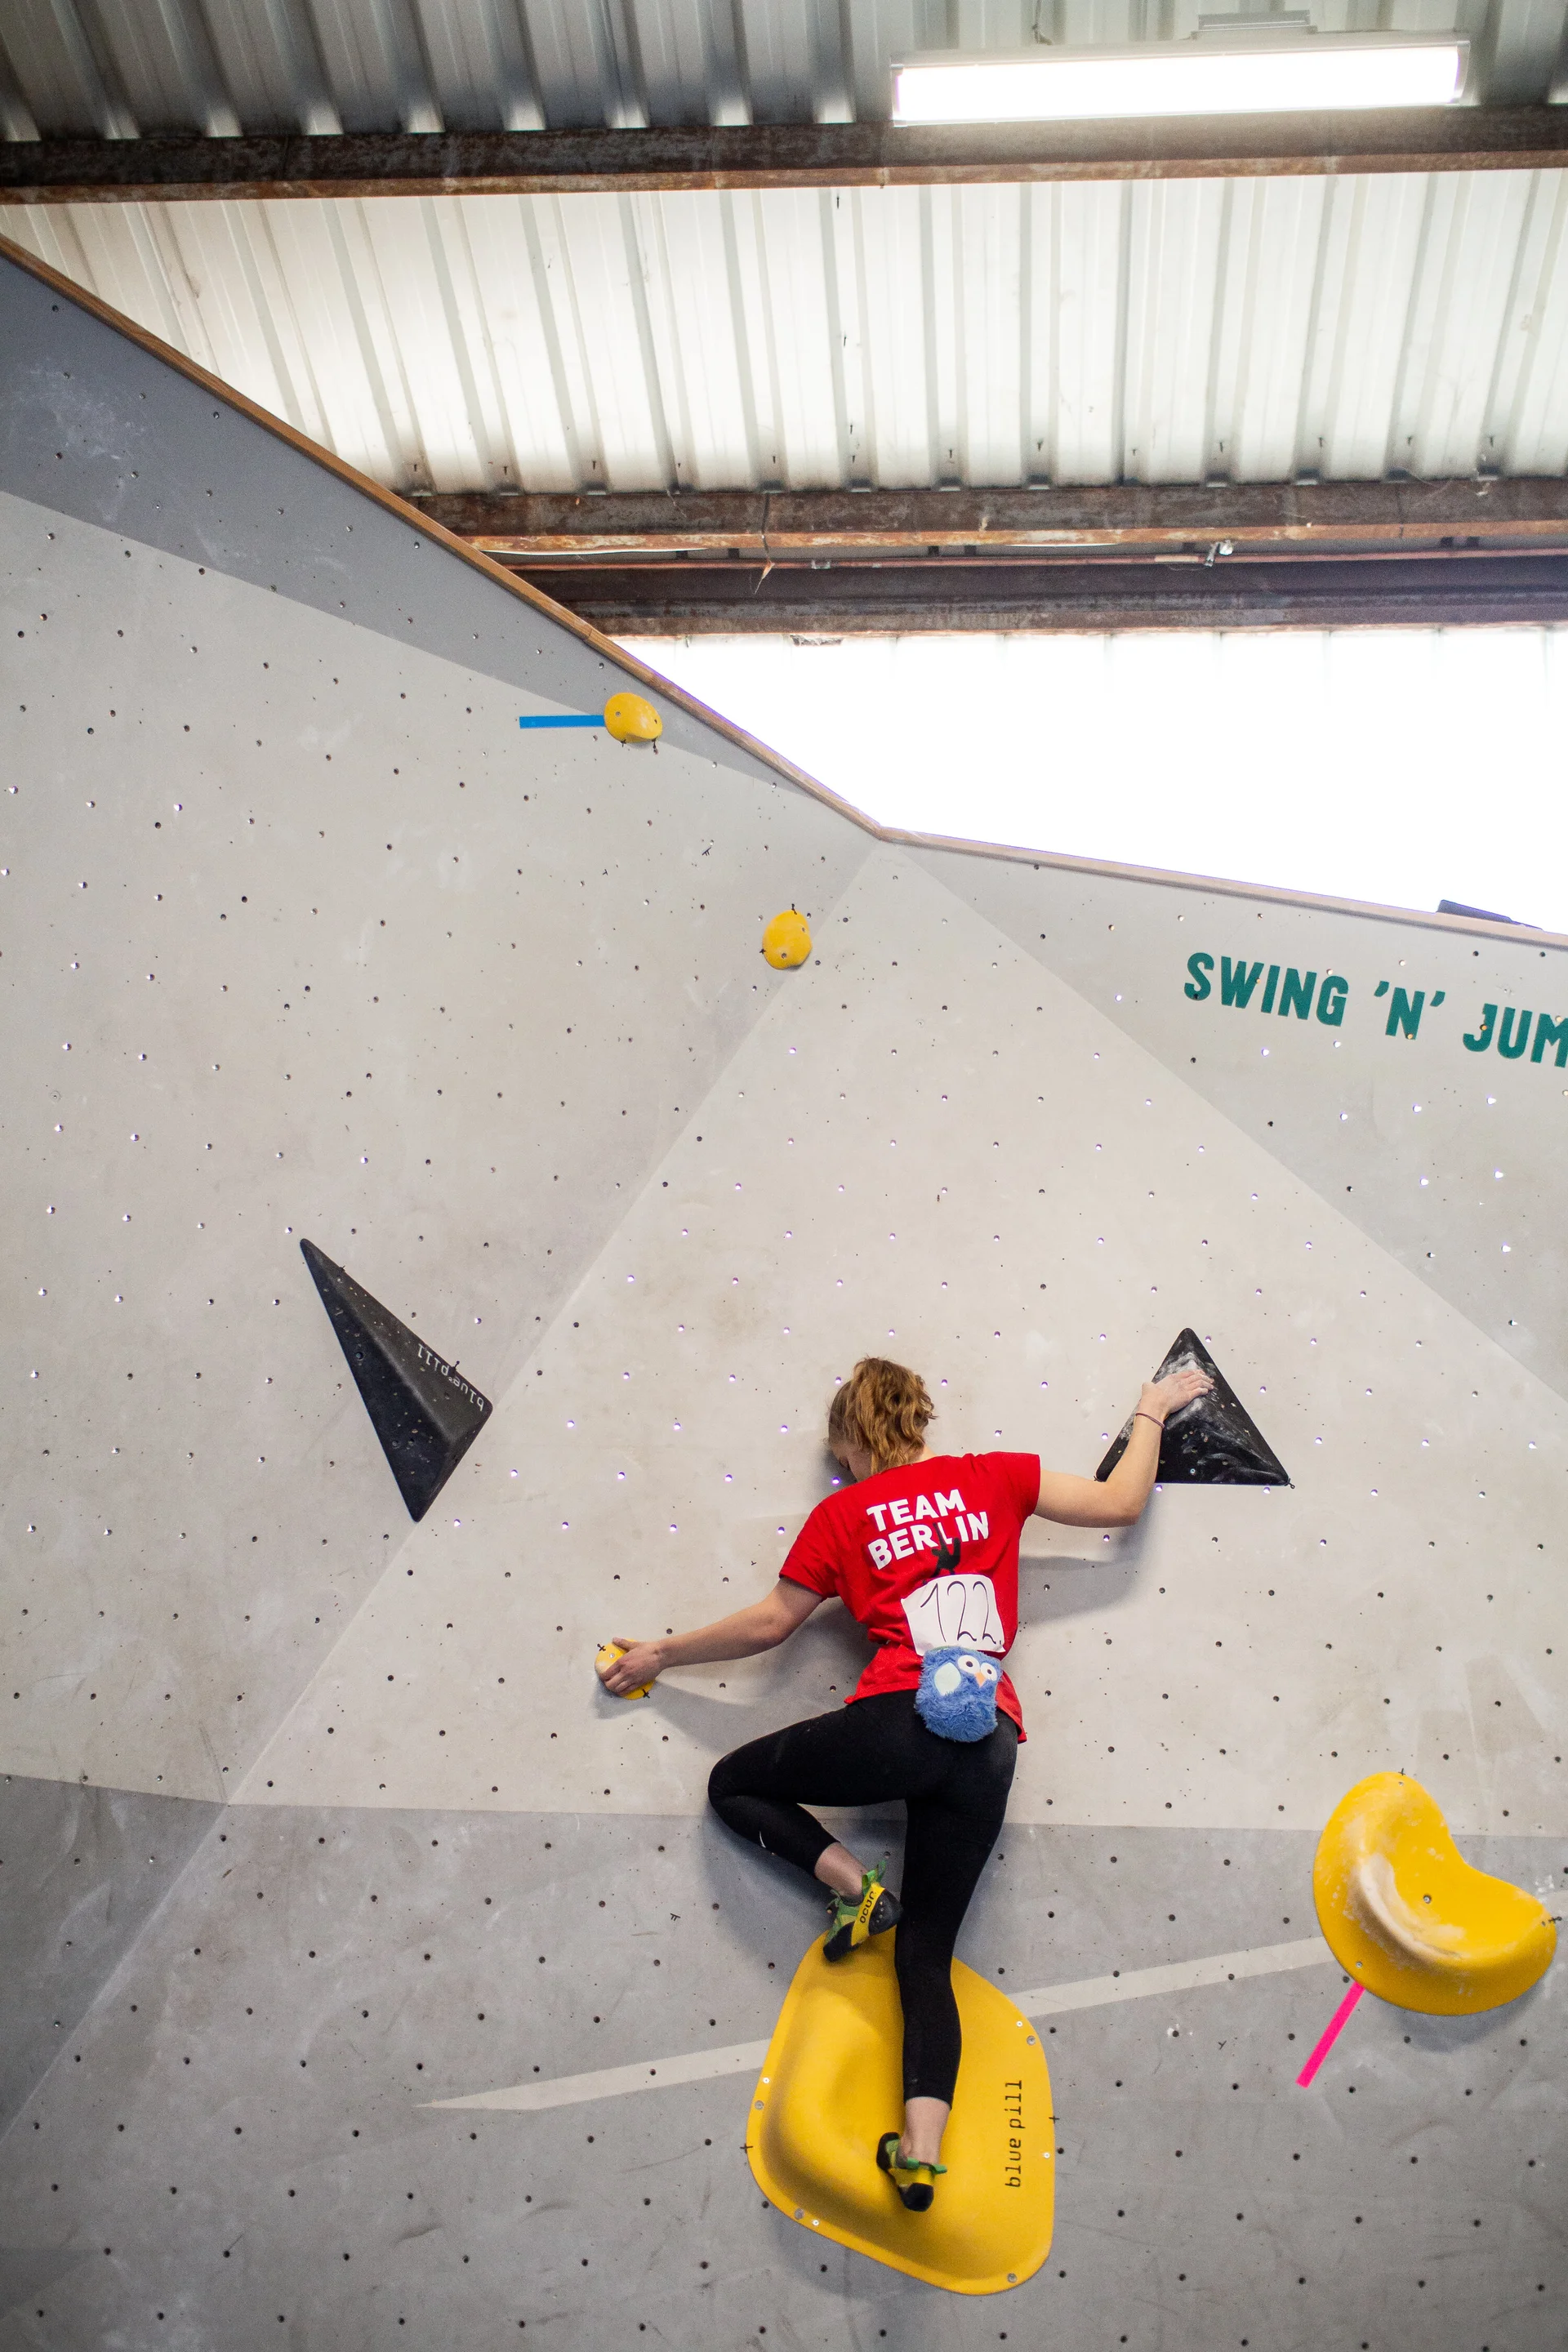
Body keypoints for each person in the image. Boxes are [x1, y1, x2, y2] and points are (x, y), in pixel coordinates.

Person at [596, 1352, 1209, 2211]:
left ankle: (852, 1885)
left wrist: (662, 1653)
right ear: (918, 1423)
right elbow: (1120, 1504)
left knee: (736, 1784)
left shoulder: (843, 1514)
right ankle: (919, 2152)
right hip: (991, 1741)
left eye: (836, 1447)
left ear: (851, 1435)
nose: (837, 1462)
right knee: (927, 1957)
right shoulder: (994, 1478)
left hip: (899, 1720)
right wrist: (1147, 1411)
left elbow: (773, 1623)